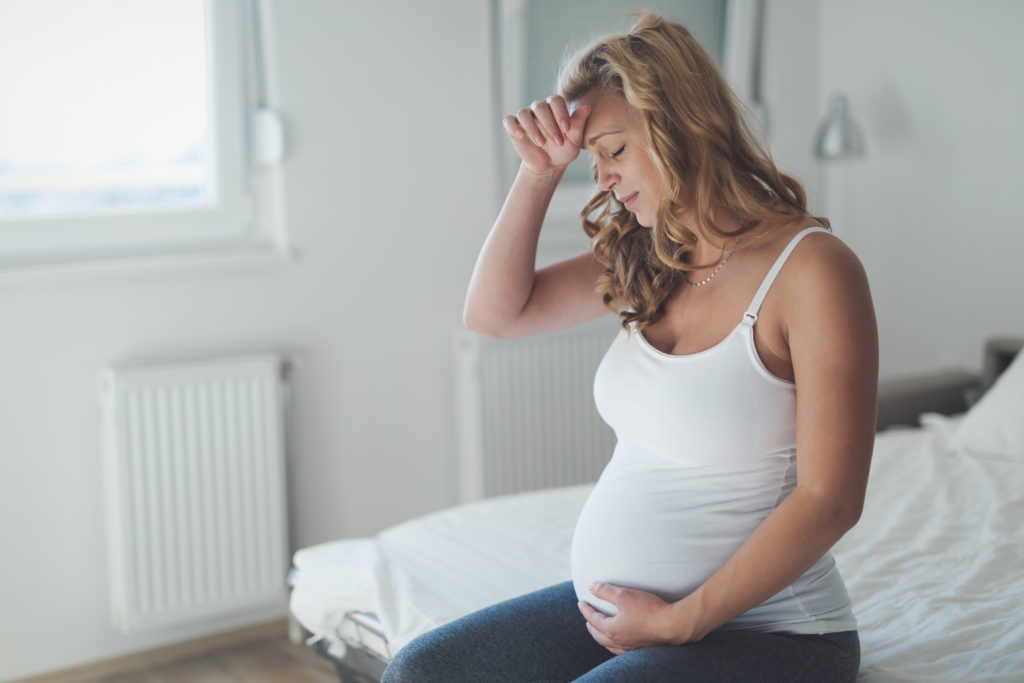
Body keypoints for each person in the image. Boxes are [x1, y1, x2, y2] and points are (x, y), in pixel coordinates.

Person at [382, 10, 876, 682]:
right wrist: (538, 174)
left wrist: (681, 620)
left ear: (681, 127)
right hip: (629, 621)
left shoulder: (813, 270)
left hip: (777, 634)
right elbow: (496, 314)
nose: (604, 179)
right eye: (593, 162)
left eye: (613, 150)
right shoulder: (653, 253)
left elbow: (830, 499)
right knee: (424, 670)